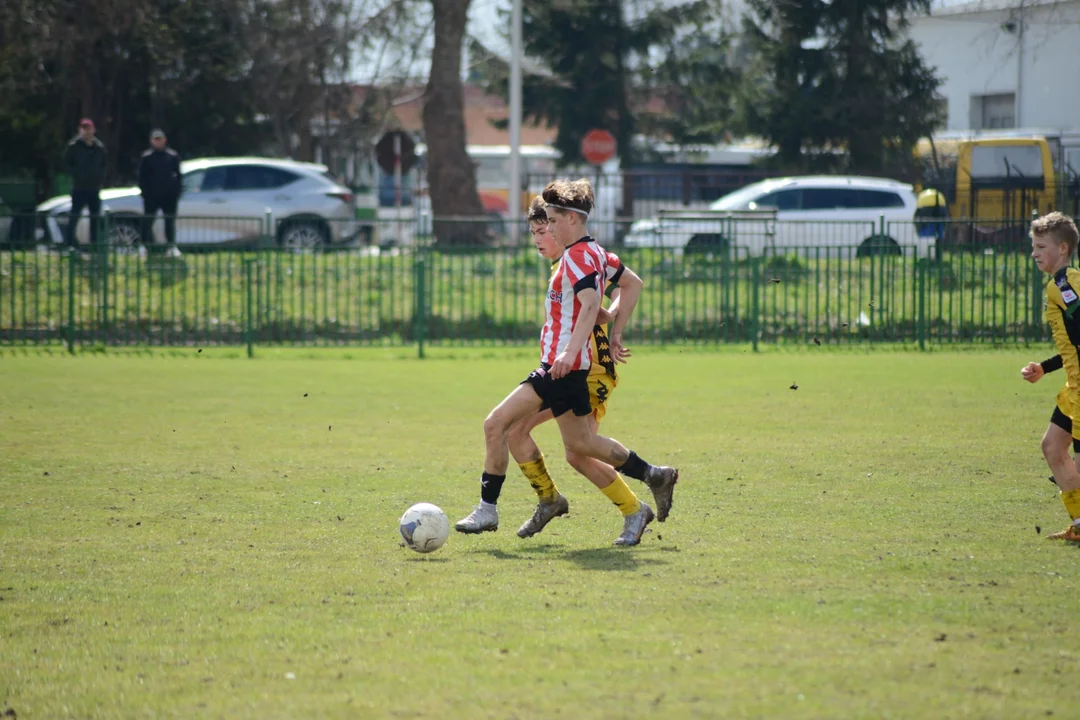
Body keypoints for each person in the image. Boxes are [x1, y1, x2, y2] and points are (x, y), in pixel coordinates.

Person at [456, 179, 679, 546]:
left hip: (582, 369)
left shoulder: (577, 257)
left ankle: (495, 508)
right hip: (572, 364)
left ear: (568, 222)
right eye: (536, 231)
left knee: (503, 426)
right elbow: (616, 296)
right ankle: (638, 482)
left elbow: (594, 306)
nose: (544, 236)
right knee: (572, 445)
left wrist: (575, 348)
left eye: (548, 226)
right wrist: (615, 327)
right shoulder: (590, 255)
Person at [1021, 211, 1080, 541]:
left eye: (1041, 246)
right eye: (1033, 246)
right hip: (1073, 388)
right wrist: (1045, 367)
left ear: (1062, 248)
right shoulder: (1064, 284)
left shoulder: (1064, 286)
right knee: (1053, 447)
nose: (1035, 253)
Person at [63, 119, 107, 249]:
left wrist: (100, 177)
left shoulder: (99, 147)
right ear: (80, 130)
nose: (87, 131)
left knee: (95, 218)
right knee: (74, 216)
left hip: (94, 188)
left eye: (89, 129)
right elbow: (65, 164)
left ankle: (95, 245)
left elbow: (104, 164)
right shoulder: (73, 146)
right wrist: (77, 174)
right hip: (79, 188)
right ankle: (70, 244)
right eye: (84, 129)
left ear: (93, 130)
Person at [138, 129, 183, 258]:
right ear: (152, 141)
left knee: (169, 221)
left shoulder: (172, 156)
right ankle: (144, 246)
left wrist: (176, 192)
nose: (158, 142)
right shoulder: (146, 157)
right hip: (151, 196)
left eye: (160, 139)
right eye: (155, 139)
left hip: (169, 196)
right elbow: (141, 177)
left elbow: (179, 176)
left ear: (165, 140)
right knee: (147, 221)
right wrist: (144, 193)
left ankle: (171, 247)